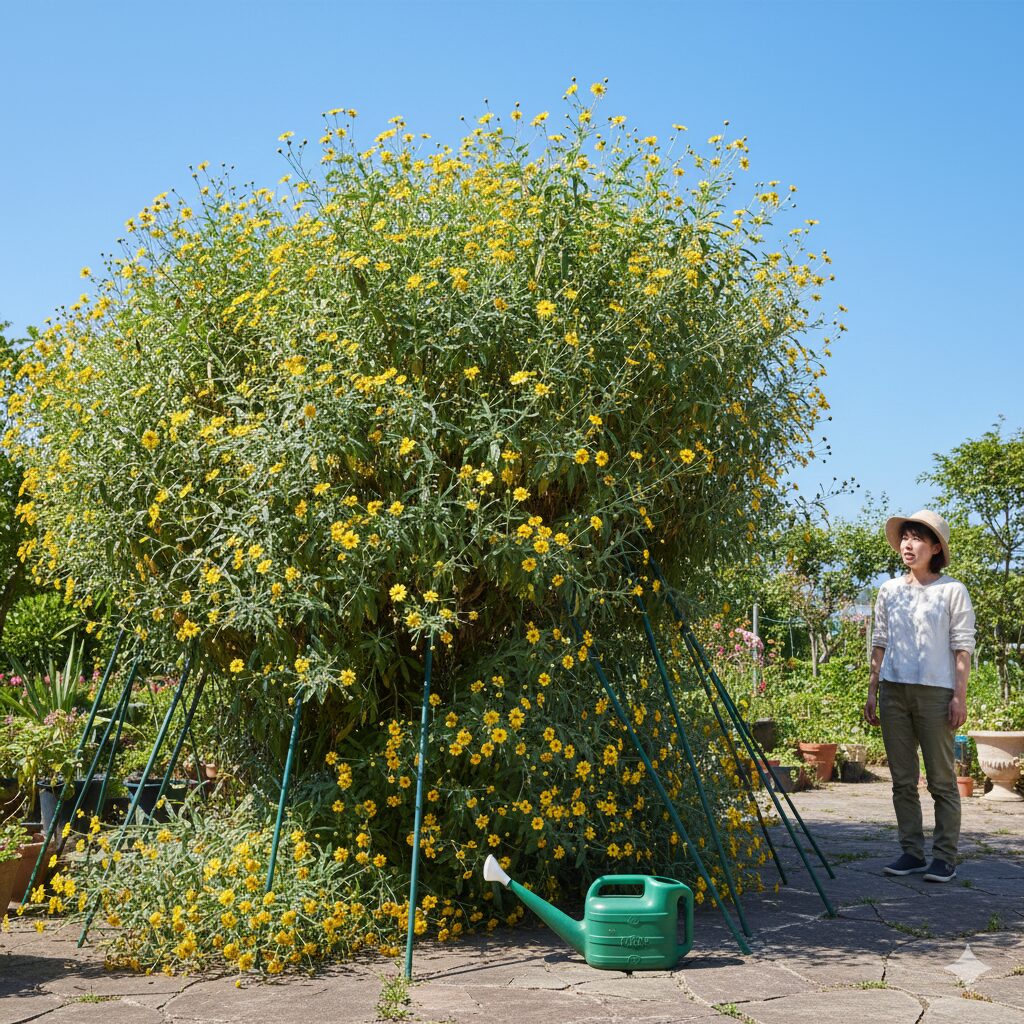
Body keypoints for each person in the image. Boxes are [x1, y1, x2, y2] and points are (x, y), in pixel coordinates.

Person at [863, 509, 975, 883]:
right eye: (905, 538)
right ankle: (911, 852)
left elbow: (962, 647)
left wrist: (959, 697)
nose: (907, 545)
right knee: (902, 779)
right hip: (893, 690)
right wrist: (873, 690)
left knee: (941, 780)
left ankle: (944, 857)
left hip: (936, 694)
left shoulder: (952, 590)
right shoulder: (889, 590)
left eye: (917, 539)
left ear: (935, 548)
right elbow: (879, 641)